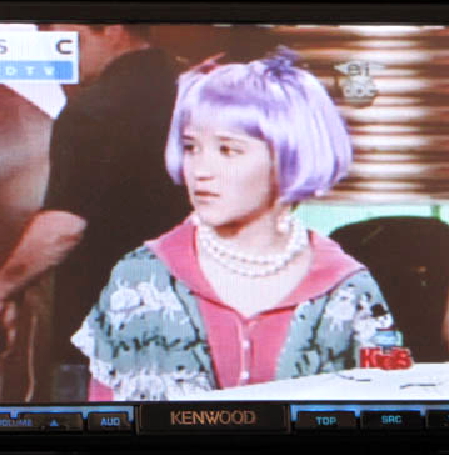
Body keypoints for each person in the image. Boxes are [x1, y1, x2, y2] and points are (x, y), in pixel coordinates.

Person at [71, 48, 399, 401]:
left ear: (287, 157)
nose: (200, 170)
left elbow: (389, 409)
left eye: (227, 150)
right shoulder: (139, 278)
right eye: (191, 147)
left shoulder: (348, 288)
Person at [0, 24, 190, 398]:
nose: (58, 54)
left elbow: (63, 227)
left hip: (107, 342)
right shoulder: (197, 93)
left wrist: (1, 290)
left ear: (113, 29)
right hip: (192, 331)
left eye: (68, 41)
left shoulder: (94, 110)